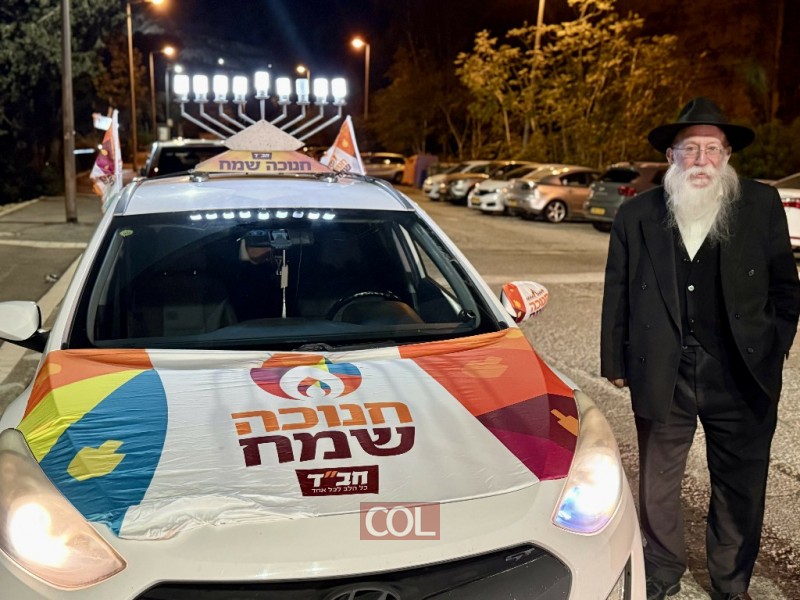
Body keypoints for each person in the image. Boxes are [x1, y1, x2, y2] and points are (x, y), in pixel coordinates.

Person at [600, 97, 800, 600]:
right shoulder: (636, 213)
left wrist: (773, 347)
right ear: (671, 156)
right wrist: (615, 359)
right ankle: (663, 568)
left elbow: (785, 287)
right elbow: (618, 289)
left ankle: (731, 581)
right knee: (659, 480)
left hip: (741, 370)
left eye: (713, 149)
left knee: (740, 482)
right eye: (690, 149)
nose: (702, 160)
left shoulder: (760, 204)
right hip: (662, 367)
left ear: (727, 155)